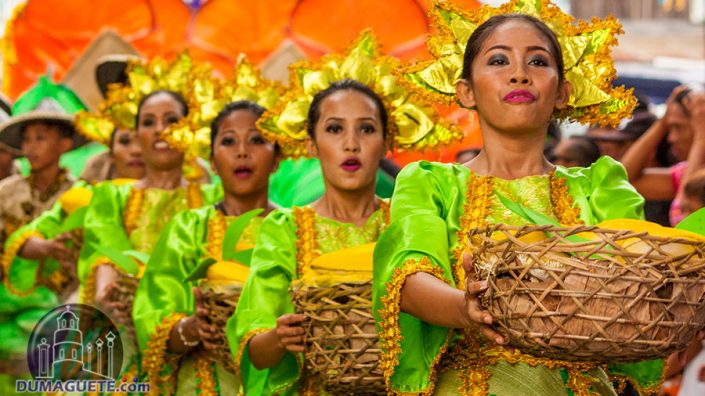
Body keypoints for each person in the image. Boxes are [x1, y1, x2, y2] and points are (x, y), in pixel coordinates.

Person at [374, 1, 662, 394]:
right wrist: (465, 307)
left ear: (562, 92)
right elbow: (406, 278)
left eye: (538, 62)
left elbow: (638, 280)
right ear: (466, 91)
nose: (519, 75)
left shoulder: (600, 185)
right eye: (498, 60)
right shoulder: (431, 183)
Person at [227, 32, 461, 394]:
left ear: (387, 143)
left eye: (366, 129)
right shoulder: (286, 230)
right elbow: (255, 350)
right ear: (311, 144)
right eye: (334, 129)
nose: (350, 143)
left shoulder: (411, 227)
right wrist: (279, 337)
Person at [132, 59, 283, 396]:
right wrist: (190, 328)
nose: (242, 152)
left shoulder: (297, 227)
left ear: (277, 158)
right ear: (212, 161)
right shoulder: (187, 228)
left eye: (257, 140)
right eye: (229, 142)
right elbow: (151, 315)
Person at [76, 53, 223, 380]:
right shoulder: (112, 196)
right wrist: (107, 297)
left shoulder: (214, 197)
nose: (160, 130)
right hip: (125, 338)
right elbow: (105, 254)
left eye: (171, 120)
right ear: (136, 132)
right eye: (148, 122)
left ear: (189, 128)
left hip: (202, 339)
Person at [0, 77, 86, 386]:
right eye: (27, 140)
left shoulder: (81, 195)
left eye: (40, 138)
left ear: (64, 144)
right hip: (8, 303)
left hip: (63, 304)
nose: (30, 147)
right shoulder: (6, 193)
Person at [621, 86, 705, 226]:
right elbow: (624, 179)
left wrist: (701, 138)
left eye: (678, 127)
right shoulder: (684, 173)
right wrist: (662, 122)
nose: (671, 138)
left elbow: (686, 213)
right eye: (669, 128)